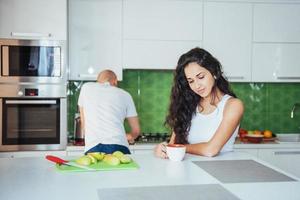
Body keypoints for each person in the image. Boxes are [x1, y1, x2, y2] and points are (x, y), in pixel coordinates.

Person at [155, 47, 244, 158]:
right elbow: (173, 146)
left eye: (201, 77)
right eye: (191, 81)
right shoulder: (187, 105)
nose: (197, 86)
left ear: (214, 73)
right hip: (189, 171)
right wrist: (162, 150)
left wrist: (180, 147)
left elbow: (211, 150)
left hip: (221, 171)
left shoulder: (233, 105)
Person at [78, 70, 140, 154]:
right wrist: (127, 137)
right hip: (119, 146)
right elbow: (136, 131)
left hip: (93, 147)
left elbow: (84, 125)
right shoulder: (125, 95)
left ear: (97, 81)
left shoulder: (86, 88)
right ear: (115, 81)